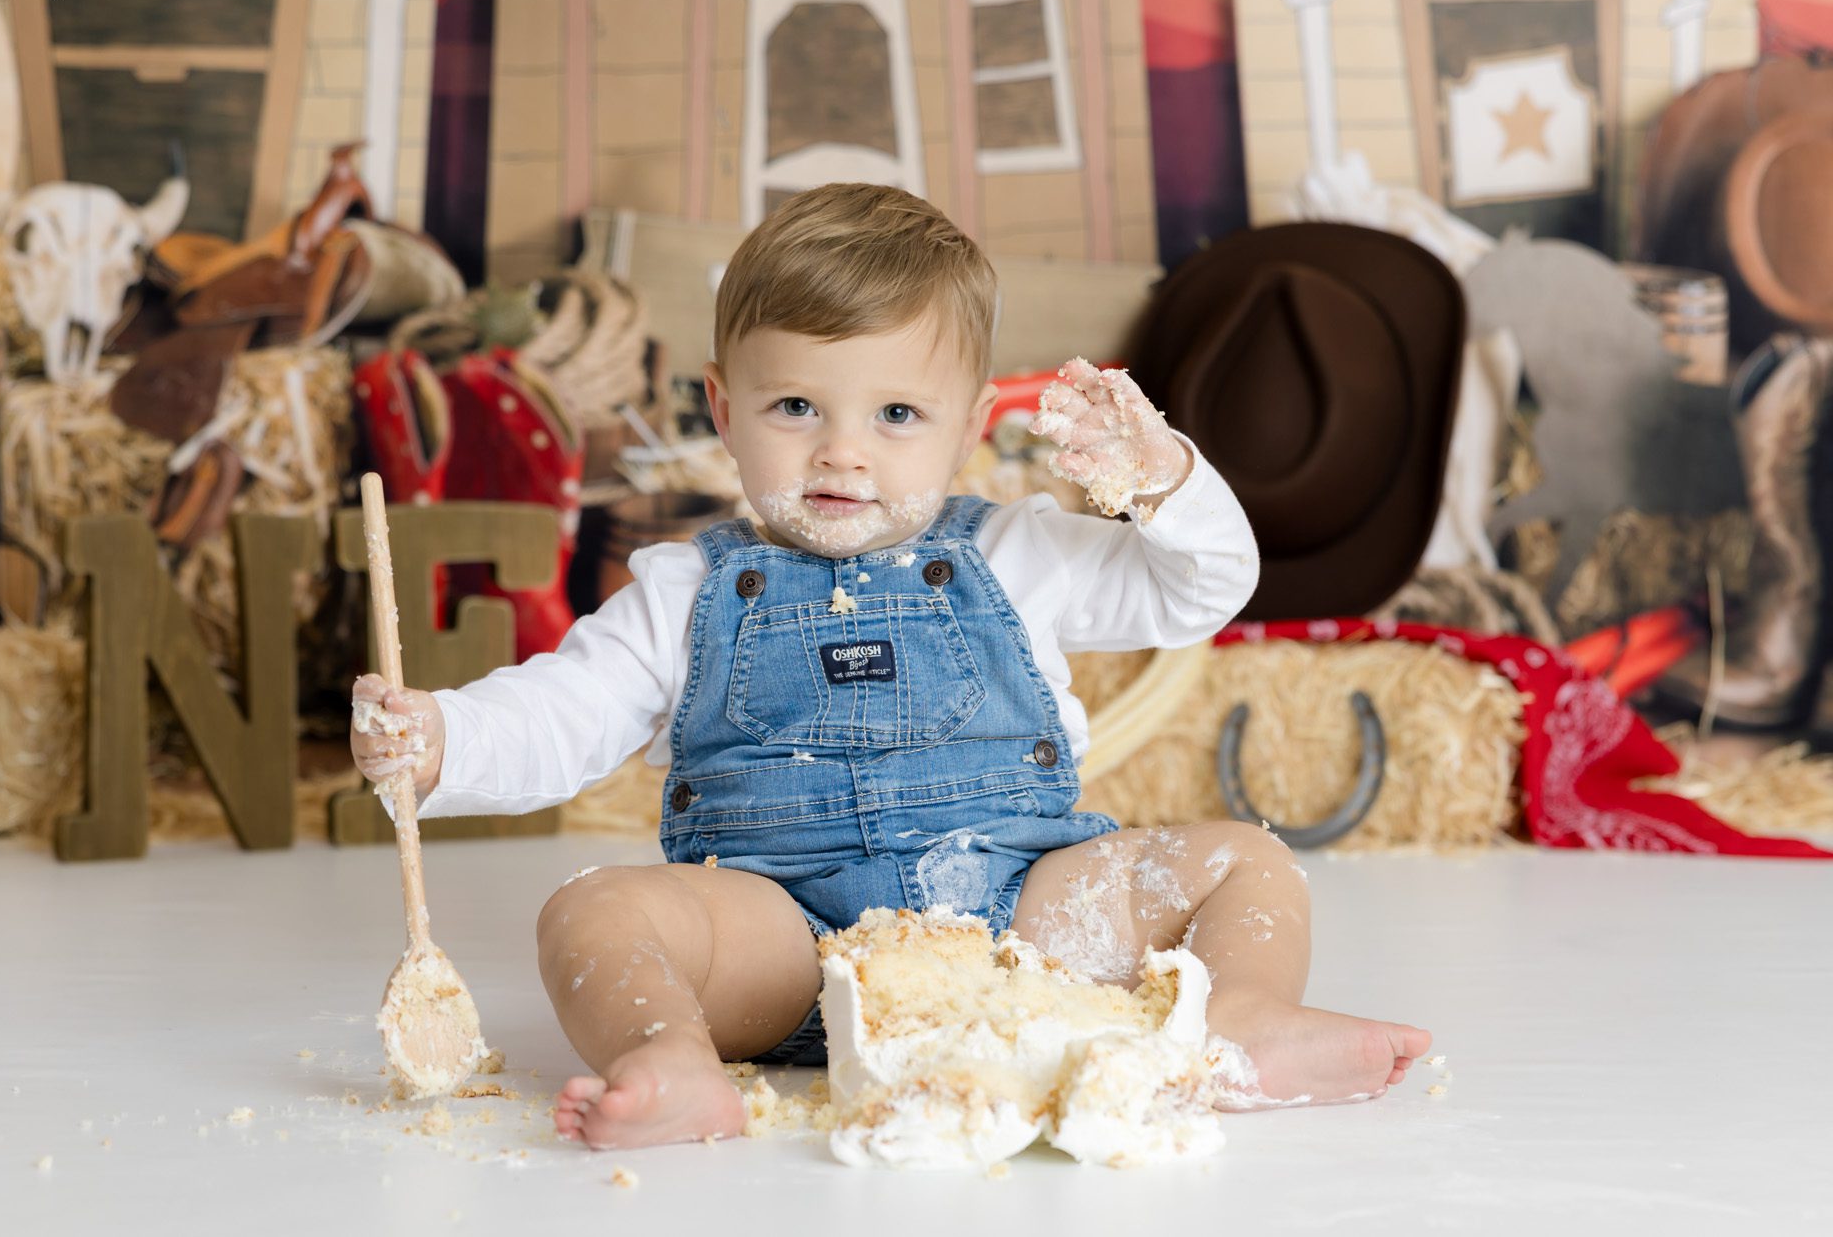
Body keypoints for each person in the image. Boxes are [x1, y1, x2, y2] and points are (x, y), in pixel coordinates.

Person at [350, 183, 1430, 1150]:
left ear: (965, 430)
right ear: (723, 410)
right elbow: (562, 711)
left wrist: (1164, 481)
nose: (841, 451)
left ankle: (1238, 1026)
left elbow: (1200, 589)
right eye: (794, 407)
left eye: (895, 414)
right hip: (784, 945)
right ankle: (675, 1063)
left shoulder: (1015, 552)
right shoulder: (688, 588)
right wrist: (442, 737)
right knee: (590, 911)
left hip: (1021, 925)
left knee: (1242, 857)